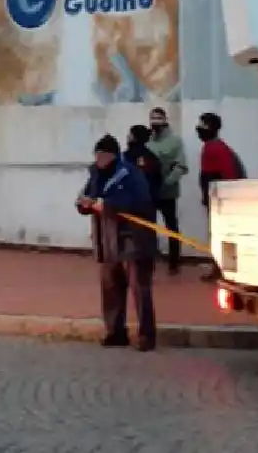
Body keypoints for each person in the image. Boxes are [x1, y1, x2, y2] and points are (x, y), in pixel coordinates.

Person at [76, 134, 158, 351]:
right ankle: (115, 332)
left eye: (104, 155)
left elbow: (140, 202)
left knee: (140, 289)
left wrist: (108, 205)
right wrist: (84, 204)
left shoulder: (131, 174)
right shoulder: (95, 174)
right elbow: (87, 196)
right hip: (107, 240)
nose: (99, 159)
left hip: (133, 239)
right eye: (97, 154)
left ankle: (146, 336)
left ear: (114, 155)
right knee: (110, 288)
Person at [197, 112, 245, 280]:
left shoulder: (213, 148)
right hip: (218, 197)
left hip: (219, 199)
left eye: (202, 125)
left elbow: (226, 174)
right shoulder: (218, 146)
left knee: (218, 233)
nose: (198, 129)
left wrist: (218, 198)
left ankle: (219, 269)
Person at [146, 106, 187, 275]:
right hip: (149, 192)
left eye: (158, 118)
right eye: (152, 118)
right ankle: (149, 261)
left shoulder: (175, 141)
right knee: (148, 227)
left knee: (171, 227)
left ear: (165, 120)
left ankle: (174, 262)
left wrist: (168, 181)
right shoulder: (147, 141)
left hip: (168, 192)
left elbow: (181, 166)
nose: (155, 121)